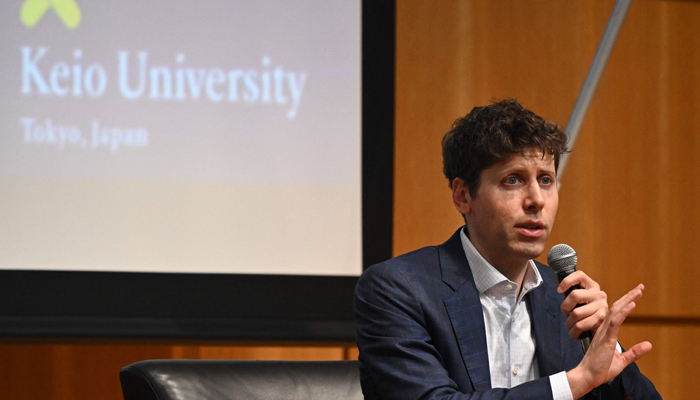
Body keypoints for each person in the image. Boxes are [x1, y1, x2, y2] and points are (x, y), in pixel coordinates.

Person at [353, 99, 661, 399]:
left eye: (546, 180)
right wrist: (575, 383)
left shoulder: (565, 299)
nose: (536, 200)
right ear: (463, 196)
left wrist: (606, 347)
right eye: (513, 180)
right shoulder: (398, 289)